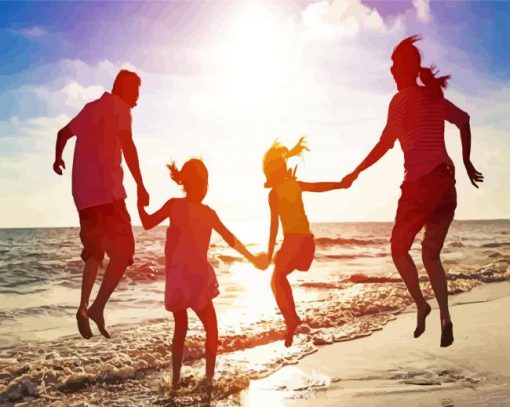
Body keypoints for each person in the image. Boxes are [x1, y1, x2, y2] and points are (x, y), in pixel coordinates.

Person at [340, 36, 483, 347]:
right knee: (431, 255)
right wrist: (467, 162)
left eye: (395, 65)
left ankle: (421, 304)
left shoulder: (401, 100)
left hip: (420, 186)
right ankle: (445, 315)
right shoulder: (433, 97)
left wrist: (356, 171)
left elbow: (383, 145)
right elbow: (464, 121)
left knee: (398, 248)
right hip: (447, 185)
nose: (391, 70)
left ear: (406, 69)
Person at [137, 158, 266, 389]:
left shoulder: (174, 205)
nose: (205, 187)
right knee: (212, 328)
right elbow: (231, 240)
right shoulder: (207, 213)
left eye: (206, 183)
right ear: (192, 184)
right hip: (195, 279)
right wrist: (253, 258)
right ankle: (207, 379)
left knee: (181, 329)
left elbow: (146, 222)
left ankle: (175, 383)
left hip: (176, 279)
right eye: (203, 182)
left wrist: (139, 201)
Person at [52, 69, 149, 339]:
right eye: (135, 95)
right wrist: (141, 184)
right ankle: (97, 307)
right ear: (125, 89)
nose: (136, 102)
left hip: (83, 198)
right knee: (125, 251)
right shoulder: (121, 109)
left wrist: (57, 159)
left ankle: (83, 306)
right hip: (109, 194)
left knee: (95, 252)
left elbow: (62, 134)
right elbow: (127, 145)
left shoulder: (90, 108)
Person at [263, 137, 345, 347]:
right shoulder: (294, 184)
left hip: (293, 243)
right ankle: (291, 319)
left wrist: (268, 253)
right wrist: (340, 184)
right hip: (308, 246)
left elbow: (273, 227)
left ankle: (291, 319)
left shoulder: (274, 194)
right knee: (278, 278)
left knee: (276, 279)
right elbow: (318, 187)